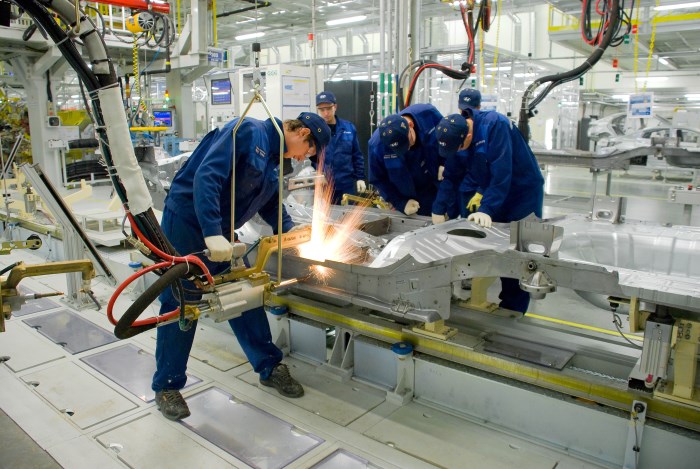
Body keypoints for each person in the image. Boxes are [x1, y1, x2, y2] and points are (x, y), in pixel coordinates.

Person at [152, 112, 331, 420]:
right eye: (309, 151)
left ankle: (269, 366)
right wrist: (211, 232)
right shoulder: (248, 131)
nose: (304, 158)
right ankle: (167, 385)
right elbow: (208, 175)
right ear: (302, 133)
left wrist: (291, 233)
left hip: (220, 230)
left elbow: (271, 202)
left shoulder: (272, 159)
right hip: (188, 222)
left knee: (244, 293)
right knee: (183, 302)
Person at [431, 112, 544, 313]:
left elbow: (502, 173)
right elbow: (452, 176)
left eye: (459, 148)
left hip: (522, 194)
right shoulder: (456, 136)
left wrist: (487, 209)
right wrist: (438, 209)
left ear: (468, 136)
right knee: (498, 249)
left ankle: (513, 311)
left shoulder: (495, 126)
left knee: (518, 253)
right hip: (496, 191)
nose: (457, 152)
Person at [368, 104, 444, 216]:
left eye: (407, 144)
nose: (406, 150)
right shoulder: (376, 146)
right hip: (406, 196)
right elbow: (378, 179)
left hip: (434, 187)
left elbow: (448, 138)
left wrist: (444, 162)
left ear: (411, 125)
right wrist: (400, 203)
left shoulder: (428, 115)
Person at [313, 91, 366, 204]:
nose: (326, 113)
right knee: (325, 215)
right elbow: (310, 158)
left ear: (335, 107)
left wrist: (360, 177)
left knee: (348, 214)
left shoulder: (349, 128)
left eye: (328, 108)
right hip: (324, 186)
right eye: (322, 110)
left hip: (346, 185)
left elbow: (357, 155)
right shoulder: (315, 132)